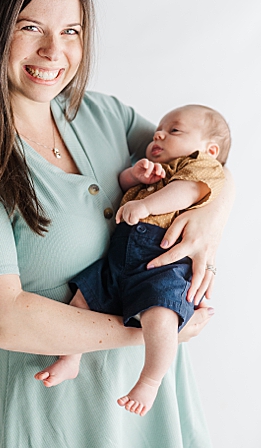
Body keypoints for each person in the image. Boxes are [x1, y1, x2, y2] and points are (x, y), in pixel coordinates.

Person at [0, 0, 233, 448]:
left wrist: (211, 215)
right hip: (53, 432)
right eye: (30, 28)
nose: (53, 52)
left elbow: (210, 163)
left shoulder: (104, 114)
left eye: (71, 30)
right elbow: (1, 320)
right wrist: (151, 332)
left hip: (151, 420)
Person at [35, 104, 229, 418]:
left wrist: (147, 205)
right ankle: (70, 358)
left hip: (159, 262)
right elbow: (123, 187)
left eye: (174, 130)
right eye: (158, 130)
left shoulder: (200, 166)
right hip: (119, 259)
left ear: (209, 148)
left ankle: (150, 379)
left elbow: (185, 193)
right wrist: (133, 176)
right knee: (83, 298)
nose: (160, 133)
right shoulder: (155, 168)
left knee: (160, 316)